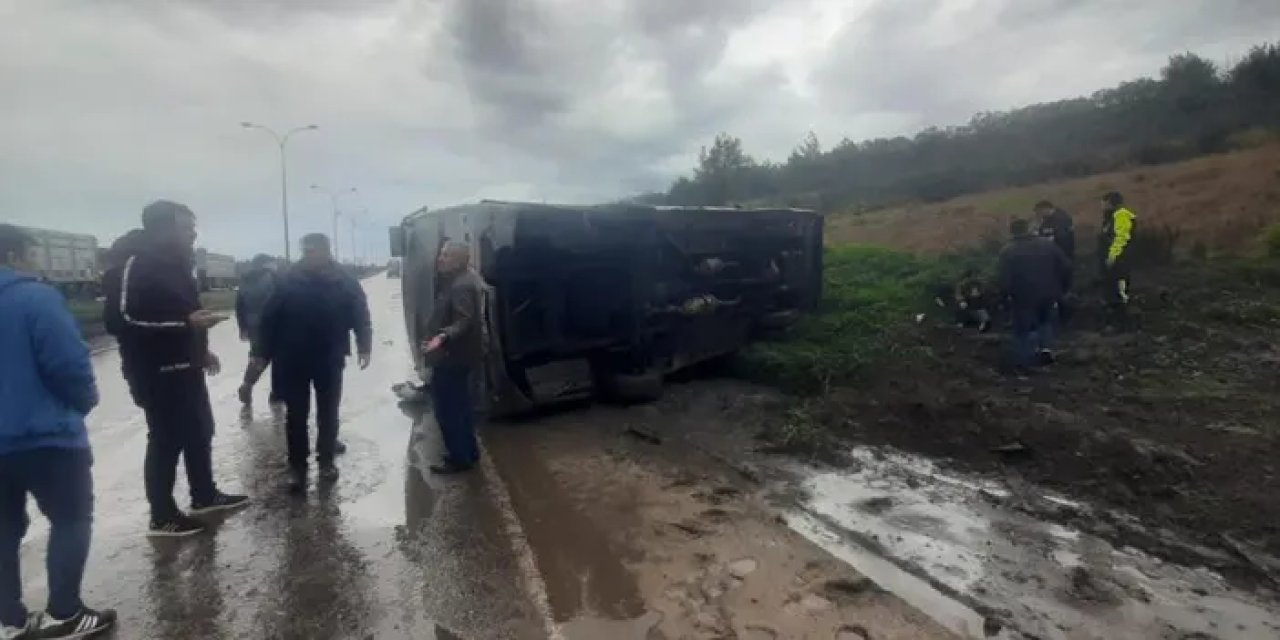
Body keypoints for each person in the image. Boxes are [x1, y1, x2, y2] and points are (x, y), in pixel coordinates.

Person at [0, 225, 117, 639]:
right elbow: (68, 364)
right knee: (70, 519)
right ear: (14, 254)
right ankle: (64, 613)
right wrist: (83, 401)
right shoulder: (35, 298)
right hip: (45, 436)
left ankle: (7, 620)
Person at [104, 201, 249, 537]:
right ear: (162, 229)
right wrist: (184, 325)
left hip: (187, 364)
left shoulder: (180, 264)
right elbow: (120, 320)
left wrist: (202, 349)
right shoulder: (134, 263)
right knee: (166, 439)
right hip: (154, 369)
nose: (193, 233)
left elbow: (188, 314)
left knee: (200, 429)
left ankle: (204, 495)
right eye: (186, 227)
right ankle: (162, 515)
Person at [254, 234, 371, 493]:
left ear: (326, 251)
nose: (309, 255)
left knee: (328, 412)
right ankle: (297, 466)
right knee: (296, 415)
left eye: (314, 250)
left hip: (329, 356)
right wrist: (260, 352)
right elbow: (268, 318)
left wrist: (364, 345)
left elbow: (360, 313)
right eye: (306, 251)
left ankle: (326, 460)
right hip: (292, 357)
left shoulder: (344, 280)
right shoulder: (287, 279)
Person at [422, 240, 487, 474]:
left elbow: (464, 320)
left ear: (460, 260)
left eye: (447, 255)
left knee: (448, 409)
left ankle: (459, 458)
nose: (441, 258)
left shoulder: (460, 286)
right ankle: (468, 452)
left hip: (452, 356)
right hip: (459, 355)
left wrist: (441, 337)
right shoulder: (462, 279)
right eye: (441, 253)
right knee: (461, 406)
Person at [998, 218, 1073, 373]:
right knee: (1045, 322)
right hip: (1049, 292)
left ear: (1012, 232)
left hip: (1023, 297)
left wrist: (1005, 298)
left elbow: (1005, 279)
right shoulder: (1048, 245)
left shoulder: (1008, 251)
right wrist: (1063, 289)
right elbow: (1066, 267)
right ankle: (1046, 351)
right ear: (1028, 228)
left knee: (1023, 330)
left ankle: (1026, 364)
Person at [235, 254, 282, 406]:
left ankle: (247, 384)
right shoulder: (274, 278)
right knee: (279, 358)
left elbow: (239, 305)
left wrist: (243, 327)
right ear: (267, 264)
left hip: (253, 325)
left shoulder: (245, 280)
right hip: (274, 325)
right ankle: (276, 394)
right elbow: (281, 301)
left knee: (258, 357)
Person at [1098, 191, 1137, 328]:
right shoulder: (1109, 217)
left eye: (1104, 203)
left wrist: (1112, 255)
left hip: (1120, 260)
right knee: (1111, 289)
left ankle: (1124, 323)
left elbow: (1121, 238)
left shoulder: (1121, 216)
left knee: (1120, 289)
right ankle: (1114, 319)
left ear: (1110, 203)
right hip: (1111, 260)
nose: (1101, 206)